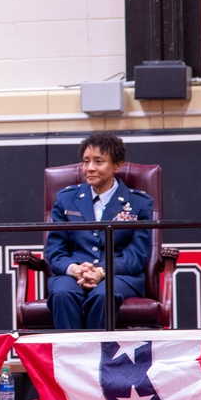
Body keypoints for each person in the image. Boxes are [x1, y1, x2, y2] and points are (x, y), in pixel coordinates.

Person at [46, 132, 153, 329]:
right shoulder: (66, 199)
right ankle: (69, 357)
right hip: (73, 274)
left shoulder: (139, 203)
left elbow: (136, 255)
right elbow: (55, 251)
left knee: (103, 295)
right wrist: (75, 269)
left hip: (118, 276)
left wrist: (102, 271)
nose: (90, 168)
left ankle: (100, 357)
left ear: (117, 165)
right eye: (86, 161)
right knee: (62, 293)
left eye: (99, 161)